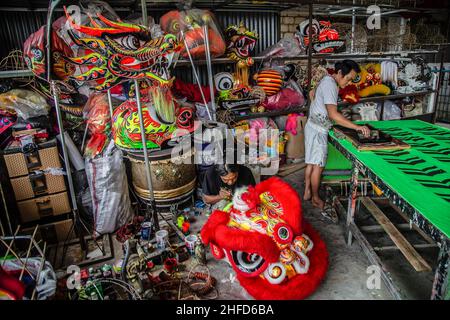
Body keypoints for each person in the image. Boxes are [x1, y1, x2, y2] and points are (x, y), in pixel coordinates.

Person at [304, 60, 370, 221]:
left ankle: (307, 192)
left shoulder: (327, 79)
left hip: (313, 125)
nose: (347, 83)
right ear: (340, 73)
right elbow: (333, 115)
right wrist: (356, 127)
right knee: (318, 166)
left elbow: (314, 94)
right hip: (318, 130)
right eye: (348, 78)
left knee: (311, 163)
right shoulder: (331, 86)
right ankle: (315, 198)